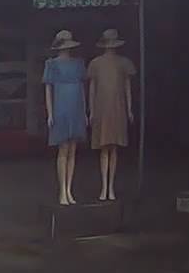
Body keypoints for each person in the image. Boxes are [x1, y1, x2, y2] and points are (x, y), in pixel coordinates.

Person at [87, 29, 136, 201]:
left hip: (117, 107)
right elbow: (92, 88)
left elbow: (127, 87)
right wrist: (92, 110)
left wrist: (129, 109)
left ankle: (111, 187)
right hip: (102, 107)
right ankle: (104, 187)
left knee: (114, 147)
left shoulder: (123, 63)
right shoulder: (95, 63)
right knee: (104, 147)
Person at [44, 30, 87, 206]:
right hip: (60, 107)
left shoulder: (78, 63)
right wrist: (50, 113)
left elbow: (82, 88)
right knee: (63, 149)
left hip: (76, 106)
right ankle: (62, 190)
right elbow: (48, 89)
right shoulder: (52, 64)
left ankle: (69, 189)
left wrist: (84, 111)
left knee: (72, 150)